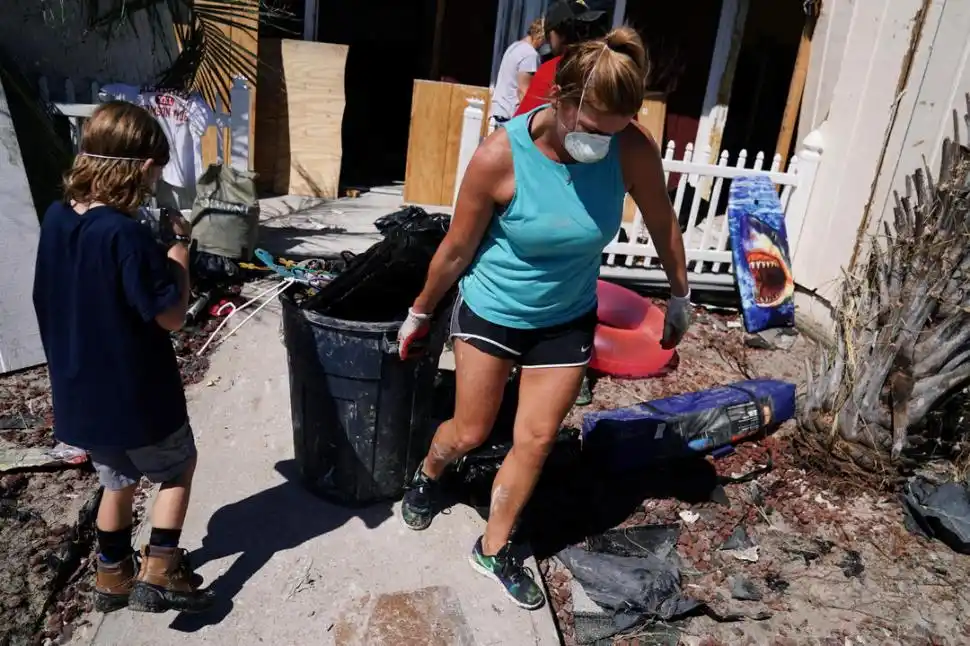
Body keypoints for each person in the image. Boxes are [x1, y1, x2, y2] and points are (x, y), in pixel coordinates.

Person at [396, 27, 692, 610]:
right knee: (471, 431)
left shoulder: (629, 148)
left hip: (567, 316)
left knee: (533, 439)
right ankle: (430, 474)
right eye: (592, 129)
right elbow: (456, 249)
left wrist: (679, 296)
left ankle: (494, 547)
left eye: (615, 131)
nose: (601, 144)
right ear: (560, 98)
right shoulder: (499, 157)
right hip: (493, 309)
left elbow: (662, 222)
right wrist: (419, 311)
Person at [32, 102, 213, 615]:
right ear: (138, 168)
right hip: (137, 395)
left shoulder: (57, 218)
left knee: (116, 478)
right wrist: (179, 247)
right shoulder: (124, 235)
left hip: (81, 394)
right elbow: (171, 316)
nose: (157, 179)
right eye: (155, 168)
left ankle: (111, 574)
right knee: (178, 467)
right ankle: (161, 570)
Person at [515, 0, 606, 117]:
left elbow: (521, 123)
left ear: (560, 35)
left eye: (549, 36)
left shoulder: (554, 68)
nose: (548, 42)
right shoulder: (607, 65)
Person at [489, 18, 545, 127]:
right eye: (545, 40)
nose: (544, 45)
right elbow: (523, 91)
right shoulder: (530, 54)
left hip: (498, 111)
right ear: (540, 37)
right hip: (510, 117)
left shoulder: (514, 47)